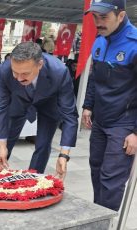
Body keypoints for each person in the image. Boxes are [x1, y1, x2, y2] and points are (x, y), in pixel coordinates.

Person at [0, 42, 78, 178]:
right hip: (20, 100)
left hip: (49, 102)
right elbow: (1, 107)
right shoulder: (4, 69)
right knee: (7, 138)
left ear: (40, 64)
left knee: (43, 144)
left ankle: (33, 178)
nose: (19, 78)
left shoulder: (59, 72)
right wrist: (2, 146)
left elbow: (70, 115)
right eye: (15, 72)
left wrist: (64, 155)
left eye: (25, 73)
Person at [82, 0, 137, 211]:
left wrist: (135, 132)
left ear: (121, 16)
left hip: (123, 124)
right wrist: (88, 105)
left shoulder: (134, 44)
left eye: (104, 17)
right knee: (96, 170)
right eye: (95, 17)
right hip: (100, 120)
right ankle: (100, 216)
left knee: (111, 179)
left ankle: (105, 223)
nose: (98, 22)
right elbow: (95, 78)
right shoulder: (100, 40)